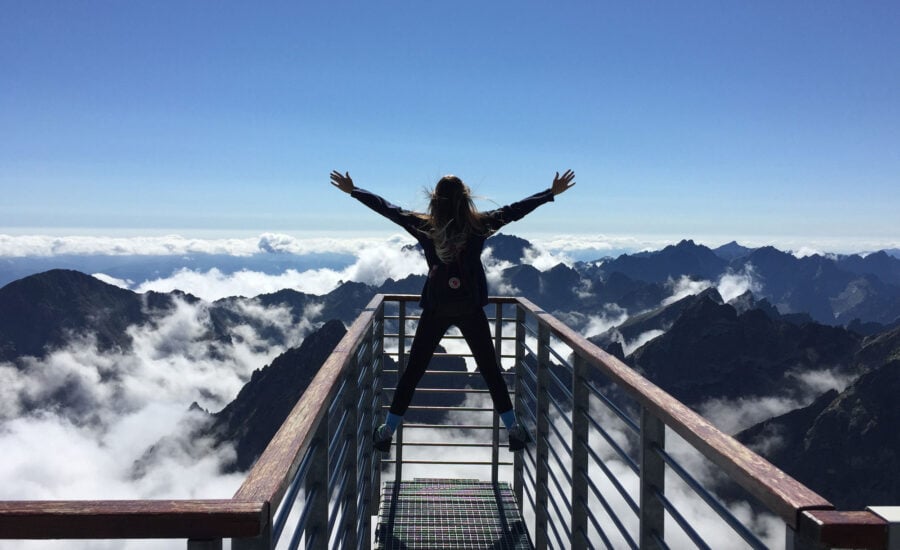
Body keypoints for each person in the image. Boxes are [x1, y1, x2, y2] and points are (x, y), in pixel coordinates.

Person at [330, 169, 576, 452]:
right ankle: (514, 429)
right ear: (466, 198)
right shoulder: (478, 226)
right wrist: (549, 193)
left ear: (435, 199)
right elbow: (515, 211)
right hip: (470, 308)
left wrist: (354, 190)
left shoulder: (424, 226)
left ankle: (387, 431)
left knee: (413, 371)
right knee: (490, 369)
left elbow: (389, 210)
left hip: (436, 308)